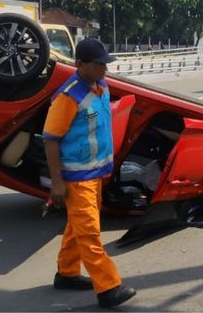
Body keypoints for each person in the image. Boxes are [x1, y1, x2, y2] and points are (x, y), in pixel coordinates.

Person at [43, 38, 136, 308]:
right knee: (90, 233)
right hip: (76, 178)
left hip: (95, 173)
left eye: (105, 64)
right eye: (98, 65)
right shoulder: (68, 96)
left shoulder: (100, 87)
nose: (104, 69)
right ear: (80, 64)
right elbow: (50, 139)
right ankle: (108, 288)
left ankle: (67, 273)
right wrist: (57, 183)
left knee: (77, 227)